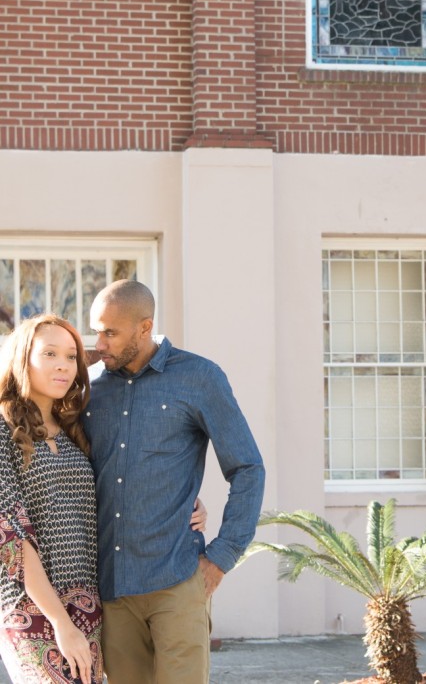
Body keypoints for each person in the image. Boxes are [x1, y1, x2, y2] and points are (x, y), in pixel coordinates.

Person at [84, 280, 265, 684]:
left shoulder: (199, 377)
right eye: (97, 330)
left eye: (110, 332)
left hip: (177, 580)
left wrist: (223, 555)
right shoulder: (90, 388)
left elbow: (247, 468)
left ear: (144, 327)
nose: (100, 343)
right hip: (111, 587)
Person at [0, 314, 102, 682]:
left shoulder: (77, 429)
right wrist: (60, 621)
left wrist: (192, 506)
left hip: (89, 602)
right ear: (22, 358)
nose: (64, 365)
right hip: (32, 608)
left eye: (72, 356)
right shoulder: (2, 430)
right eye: (50, 354)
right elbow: (12, 535)